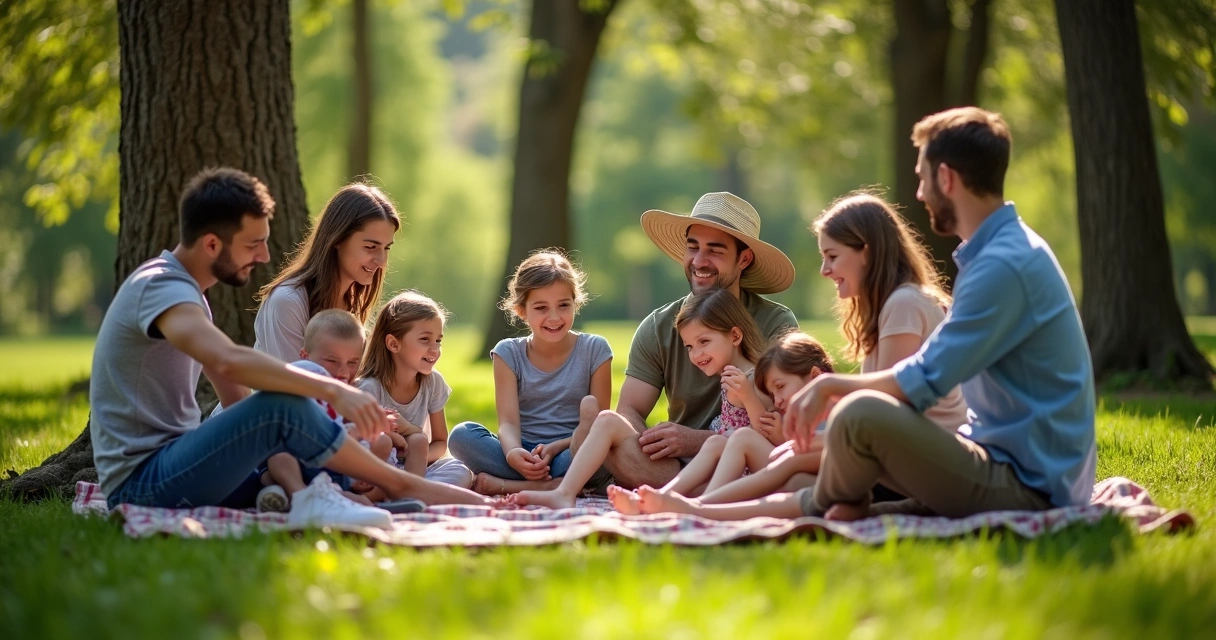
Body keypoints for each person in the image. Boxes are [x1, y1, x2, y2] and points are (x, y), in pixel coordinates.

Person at [90, 168, 491, 531]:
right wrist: (333, 391)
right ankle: (367, 490)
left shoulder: (189, 297)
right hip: (142, 482)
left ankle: (359, 495)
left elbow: (234, 394)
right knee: (299, 387)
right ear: (212, 244)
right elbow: (231, 363)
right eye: (253, 244)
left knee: (306, 416)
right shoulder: (160, 286)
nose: (264, 256)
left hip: (182, 463)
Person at [783, 106, 1096, 522]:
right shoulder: (1003, 252)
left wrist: (829, 387)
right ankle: (832, 504)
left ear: (945, 178)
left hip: (1032, 485)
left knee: (859, 413)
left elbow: (924, 380)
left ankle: (804, 508)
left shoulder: (1004, 265)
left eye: (922, 178)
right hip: (1006, 462)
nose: (919, 193)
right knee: (854, 438)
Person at [565, 192, 799, 495]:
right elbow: (631, 410)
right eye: (693, 247)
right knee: (607, 431)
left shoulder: (777, 325)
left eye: (714, 250)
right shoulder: (657, 326)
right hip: (673, 466)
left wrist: (694, 439)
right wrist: (649, 444)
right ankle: (682, 489)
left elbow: (782, 420)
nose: (699, 261)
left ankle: (694, 492)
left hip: (747, 457)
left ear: (743, 259)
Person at [512, 288, 769, 509]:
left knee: (714, 446)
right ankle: (564, 493)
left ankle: (672, 499)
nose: (695, 354)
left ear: (735, 336)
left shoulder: (754, 379)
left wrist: (747, 395)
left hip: (727, 472)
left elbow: (767, 436)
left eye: (704, 341)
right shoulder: (732, 377)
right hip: (701, 463)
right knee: (607, 419)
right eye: (689, 346)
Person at [609, 332, 834, 515]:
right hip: (780, 472)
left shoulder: (836, 410)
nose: (777, 400)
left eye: (781, 387)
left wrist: (782, 439)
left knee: (743, 437)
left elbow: (824, 456)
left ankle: (700, 505)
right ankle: (666, 496)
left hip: (806, 483)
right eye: (773, 393)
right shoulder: (795, 413)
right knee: (718, 442)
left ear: (814, 376)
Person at [447, 251, 613, 495]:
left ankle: (528, 484)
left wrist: (558, 446)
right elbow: (509, 423)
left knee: (603, 446)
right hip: (525, 454)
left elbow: (601, 424)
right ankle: (553, 485)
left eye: (564, 305)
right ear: (521, 310)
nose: (554, 317)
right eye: (541, 307)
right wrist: (514, 453)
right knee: (461, 436)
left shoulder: (595, 349)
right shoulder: (508, 353)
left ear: (575, 303)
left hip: (574, 449)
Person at [251, 309, 412, 512]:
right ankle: (299, 495)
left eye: (353, 362)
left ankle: (342, 493)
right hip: (294, 460)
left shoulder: (347, 393)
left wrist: (382, 427)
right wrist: (355, 430)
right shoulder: (300, 383)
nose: (343, 372)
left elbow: (346, 428)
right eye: (331, 361)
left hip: (328, 467)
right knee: (280, 455)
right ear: (305, 356)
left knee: (381, 441)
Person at [254, 182, 400, 361]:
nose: (381, 260)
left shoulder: (353, 302)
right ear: (337, 239)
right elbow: (292, 382)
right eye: (370, 247)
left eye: (387, 248)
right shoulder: (288, 302)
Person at [355, 291, 474, 488]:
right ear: (394, 344)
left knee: (460, 471)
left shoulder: (433, 382)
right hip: (381, 466)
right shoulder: (369, 388)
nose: (435, 349)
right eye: (425, 339)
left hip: (419, 466)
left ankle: (408, 490)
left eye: (438, 340)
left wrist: (412, 442)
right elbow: (362, 445)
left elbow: (440, 443)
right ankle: (409, 491)